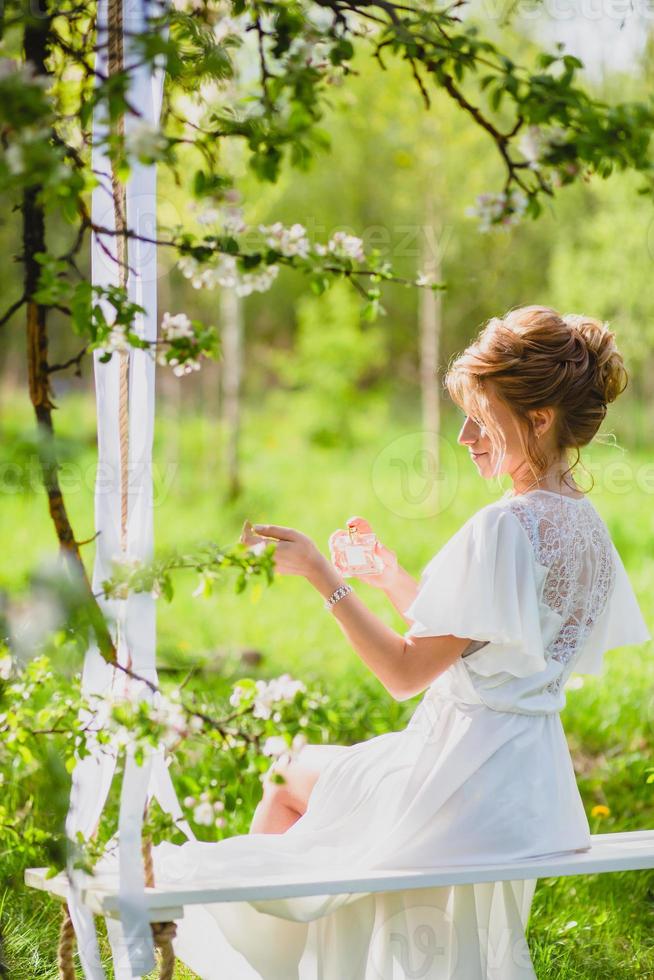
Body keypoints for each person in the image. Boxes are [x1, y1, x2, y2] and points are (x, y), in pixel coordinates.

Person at [154, 305, 650, 980]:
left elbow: (404, 674)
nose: (465, 435)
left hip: (455, 781)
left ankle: (277, 962)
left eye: (482, 415)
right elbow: (492, 641)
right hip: (527, 786)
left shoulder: (504, 526)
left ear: (538, 419)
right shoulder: (582, 526)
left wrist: (320, 576)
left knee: (286, 775)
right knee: (323, 794)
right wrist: (390, 579)